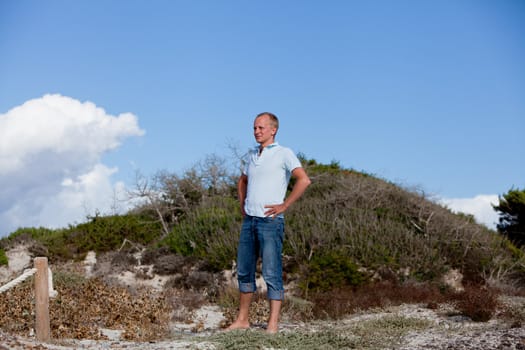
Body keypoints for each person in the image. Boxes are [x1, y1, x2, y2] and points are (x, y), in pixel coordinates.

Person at [227, 112, 311, 334]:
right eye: (254, 128)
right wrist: (242, 203)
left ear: (273, 130)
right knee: (244, 271)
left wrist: (284, 205)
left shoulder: (284, 153)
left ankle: (272, 324)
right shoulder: (253, 154)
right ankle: (242, 320)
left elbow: (304, 179)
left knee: (271, 272)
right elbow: (242, 180)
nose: (256, 131)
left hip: (271, 222)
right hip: (250, 221)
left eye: (261, 128)